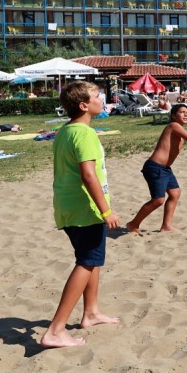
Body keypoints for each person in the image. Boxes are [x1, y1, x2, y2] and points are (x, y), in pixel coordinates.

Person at [40, 81, 120, 349]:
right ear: (84, 105)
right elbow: (88, 175)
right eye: (97, 95)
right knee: (86, 262)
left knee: (92, 259)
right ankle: (56, 329)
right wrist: (105, 210)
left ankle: (91, 313)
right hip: (85, 208)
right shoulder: (85, 134)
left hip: (68, 206)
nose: (102, 98)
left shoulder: (65, 131)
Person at [127, 104, 187, 234]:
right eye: (182, 112)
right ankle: (133, 224)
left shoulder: (178, 130)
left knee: (175, 193)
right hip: (155, 167)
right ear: (173, 116)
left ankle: (166, 225)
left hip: (165, 169)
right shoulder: (173, 126)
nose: (186, 114)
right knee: (158, 200)